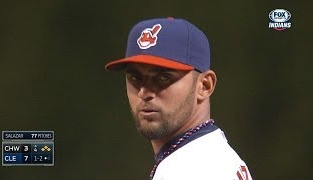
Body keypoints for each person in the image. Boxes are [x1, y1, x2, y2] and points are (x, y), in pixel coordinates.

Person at [105, 17, 252, 180]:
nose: (144, 92)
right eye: (135, 78)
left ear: (204, 86)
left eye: (163, 78)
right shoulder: (210, 154)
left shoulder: (191, 169)